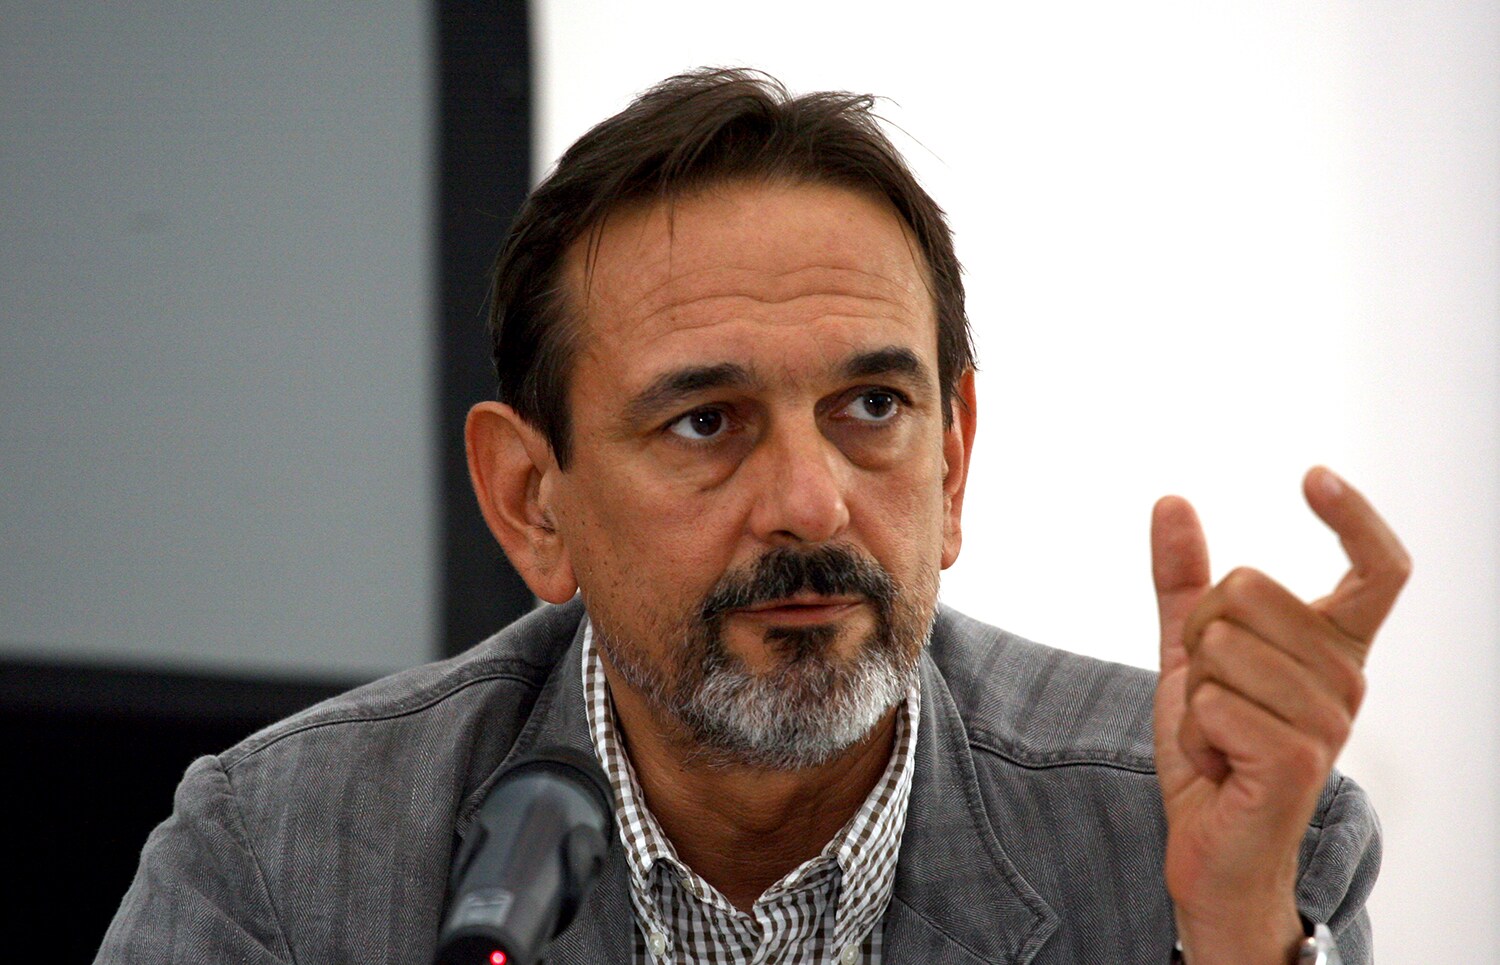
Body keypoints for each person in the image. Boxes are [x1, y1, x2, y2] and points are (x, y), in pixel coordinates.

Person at [97, 68, 1409, 964]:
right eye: (706, 422)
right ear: (532, 500)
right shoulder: (284, 855)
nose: (809, 502)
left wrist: (1234, 935)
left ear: (953, 461)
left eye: (872, 408)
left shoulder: (1215, 830)